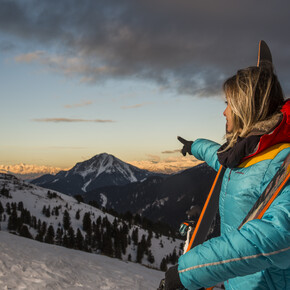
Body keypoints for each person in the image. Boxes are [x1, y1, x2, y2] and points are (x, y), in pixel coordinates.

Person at [164, 41, 290, 289]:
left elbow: (280, 237)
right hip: (237, 282)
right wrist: (194, 146)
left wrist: (188, 272)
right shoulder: (247, 151)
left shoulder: (282, 161)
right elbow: (219, 156)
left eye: (228, 104)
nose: (224, 113)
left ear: (246, 108)